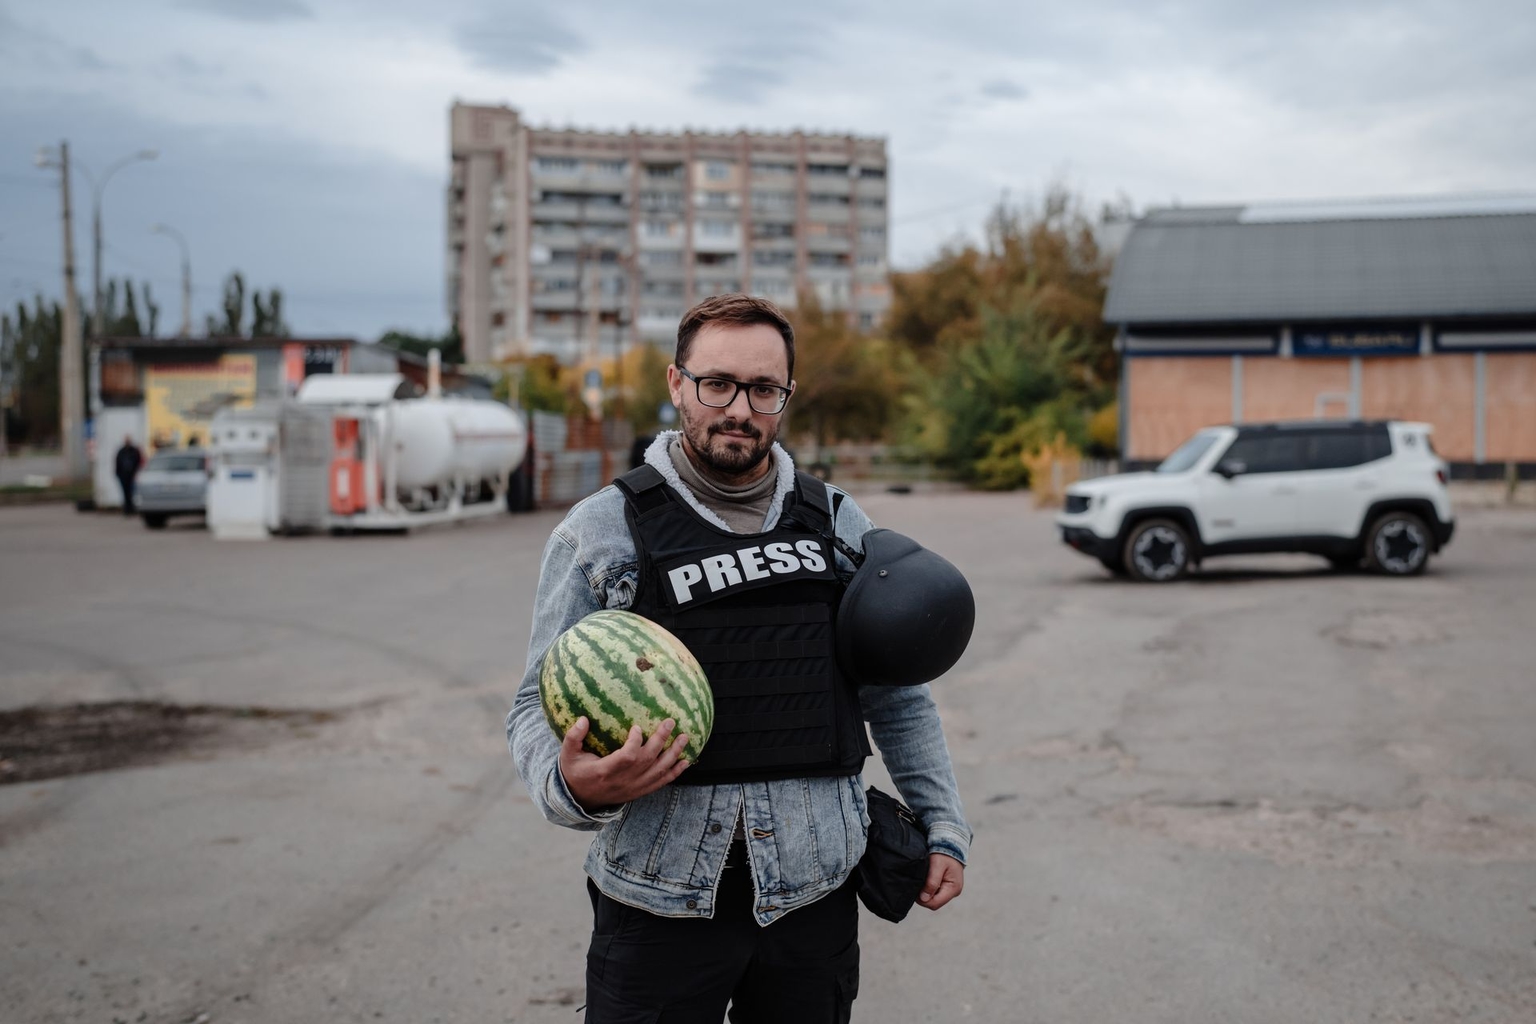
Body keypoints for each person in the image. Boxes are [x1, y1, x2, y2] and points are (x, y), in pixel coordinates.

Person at [507, 294, 970, 1023]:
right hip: (657, 893)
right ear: (676, 383)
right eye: (716, 383)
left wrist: (944, 824)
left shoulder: (839, 524)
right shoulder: (601, 531)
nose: (739, 409)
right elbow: (534, 704)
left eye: (764, 390)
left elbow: (897, 693)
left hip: (813, 891)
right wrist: (572, 783)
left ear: (786, 394)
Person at [114, 435, 143, 516]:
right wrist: (118, 474)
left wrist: (136, 473)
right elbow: (117, 462)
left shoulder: (134, 451)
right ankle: (126, 509)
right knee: (125, 493)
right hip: (123, 476)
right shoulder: (121, 451)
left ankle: (131, 509)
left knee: (132, 493)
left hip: (132, 475)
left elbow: (138, 462)